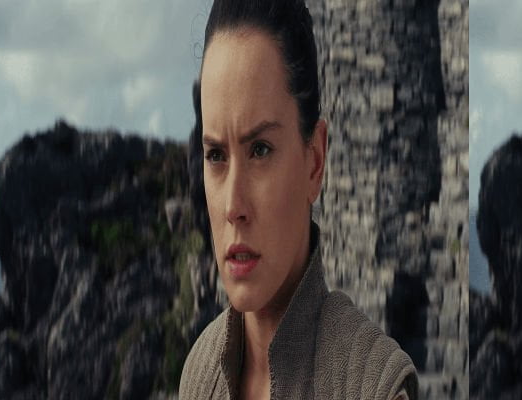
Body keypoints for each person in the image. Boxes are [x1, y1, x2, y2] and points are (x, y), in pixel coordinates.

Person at [178, 1, 417, 399]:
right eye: (216, 155)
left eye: (260, 150)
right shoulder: (200, 373)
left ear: (314, 162)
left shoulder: (374, 387)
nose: (233, 205)